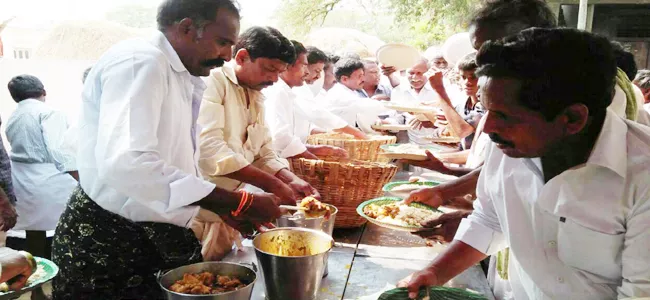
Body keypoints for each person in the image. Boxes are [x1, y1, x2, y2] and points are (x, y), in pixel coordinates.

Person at [51, 1, 283, 298]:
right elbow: (129, 164)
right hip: (110, 237)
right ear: (187, 28)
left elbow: (173, 164)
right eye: (222, 42)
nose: (226, 56)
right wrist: (235, 201)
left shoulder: (183, 74)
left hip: (156, 231)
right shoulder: (142, 62)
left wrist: (221, 207)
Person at [400, 27, 650, 300]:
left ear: (572, 119)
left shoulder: (642, 174)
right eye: (488, 111)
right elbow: (490, 218)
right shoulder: (509, 144)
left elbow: (639, 294)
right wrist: (435, 273)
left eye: (504, 116)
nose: (489, 127)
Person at [196, 27, 319, 260]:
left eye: (279, 71)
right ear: (241, 57)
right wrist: (272, 183)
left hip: (232, 213)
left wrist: (289, 178)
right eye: (269, 69)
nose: (274, 79)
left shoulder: (255, 92)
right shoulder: (213, 82)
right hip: (199, 212)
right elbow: (210, 149)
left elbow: (263, 149)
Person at [4, 75, 77, 264]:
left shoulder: (13, 116)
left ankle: (36, 278)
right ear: (43, 91)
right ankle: (64, 274)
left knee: (34, 231)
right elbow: (58, 151)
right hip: (50, 179)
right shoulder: (50, 112)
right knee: (69, 226)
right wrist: (79, 177)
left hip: (22, 179)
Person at [264, 40, 357, 160]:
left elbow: (301, 126)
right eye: (303, 66)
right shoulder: (278, 92)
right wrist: (311, 151)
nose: (306, 72)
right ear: (286, 66)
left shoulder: (288, 91)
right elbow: (279, 136)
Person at [326, 57, 388, 132]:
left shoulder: (352, 92)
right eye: (359, 76)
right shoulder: (339, 93)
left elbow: (363, 116)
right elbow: (364, 106)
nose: (363, 79)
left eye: (363, 75)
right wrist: (391, 106)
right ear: (344, 79)